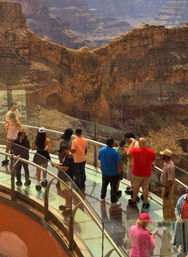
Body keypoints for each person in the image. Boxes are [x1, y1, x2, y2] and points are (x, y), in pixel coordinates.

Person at [128, 138, 156, 208]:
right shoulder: (151, 152)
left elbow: (129, 154)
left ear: (139, 143)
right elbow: (153, 160)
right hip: (147, 174)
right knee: (145, 188)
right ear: (145, 143)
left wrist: (133, 143)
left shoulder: (135, 150)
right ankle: (145, 203)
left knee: (136, 187)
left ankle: (133, 201)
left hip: (137, 173)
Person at [98, 137, 122, 208]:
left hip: (104, 171)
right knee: (113, 187)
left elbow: (99, 158)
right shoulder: (115, 152)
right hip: (113, 173)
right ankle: (113, 202)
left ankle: (102, 198)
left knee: (104, 185)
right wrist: (119, 170)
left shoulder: (102, 149)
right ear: (112, 143)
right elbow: (118, 163)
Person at [51, 144, 74, 215]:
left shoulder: (70, 158)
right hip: (63, 177)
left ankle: (69, 208)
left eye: (62, 151)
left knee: (67, 193)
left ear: (65, 150)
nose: (62, 152)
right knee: (63, 191)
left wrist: (56, 166)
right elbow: (63, 164)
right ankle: (66, 205)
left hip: (67, 178)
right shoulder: (66, 156)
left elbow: (65, 168)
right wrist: (56, 164)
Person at [158, 149, 176, 226]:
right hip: (166, 187)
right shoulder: (167, 163)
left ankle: (166, 220)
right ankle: (172, 217)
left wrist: (167, 191)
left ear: (166, 157)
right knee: (170, 202)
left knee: (166, 204)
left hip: (167, 187)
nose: (162, 156)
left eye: (163, 155)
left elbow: (169, 180)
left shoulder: (169, 167)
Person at [173, 187, 188, 257]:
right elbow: (177, 208)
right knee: (179, 238)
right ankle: (177, 252)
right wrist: (178, 216)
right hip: (181, 221)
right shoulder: (182, 198)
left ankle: (183, 254)